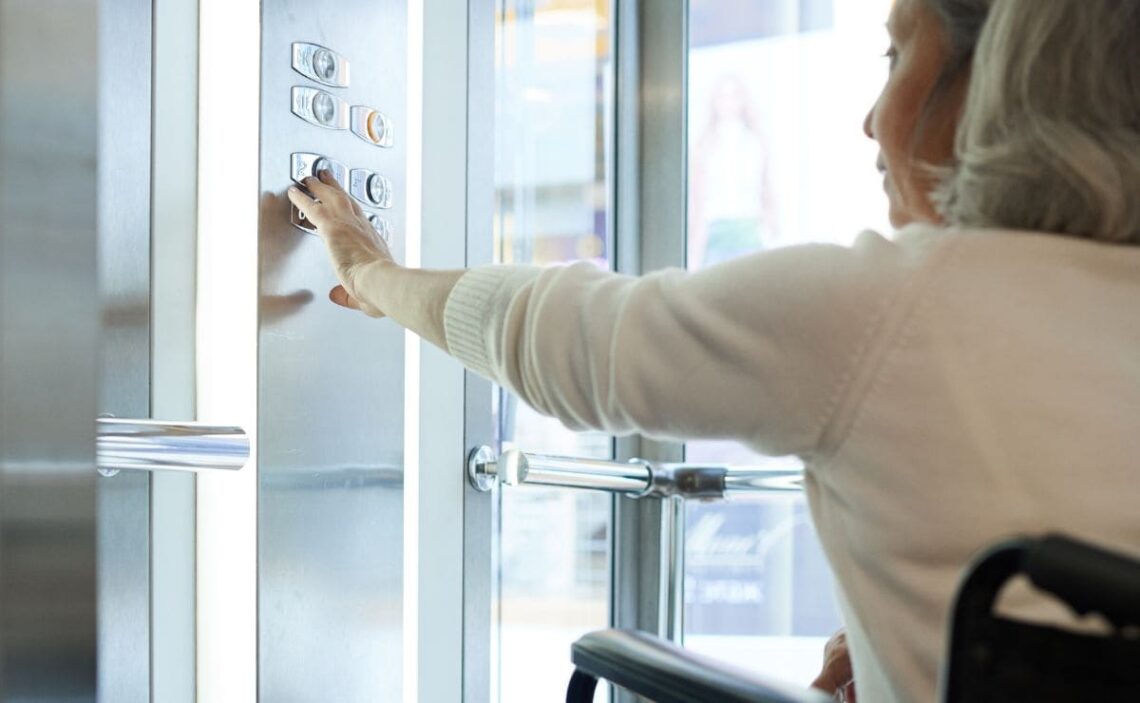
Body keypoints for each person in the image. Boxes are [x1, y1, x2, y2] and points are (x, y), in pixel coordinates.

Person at [287, 0, 1140, 700]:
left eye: (894, 57)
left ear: (994, 83)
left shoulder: (892, 307)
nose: (871, 119)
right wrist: (916, 634)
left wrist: (372, 273)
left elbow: (564, 338)